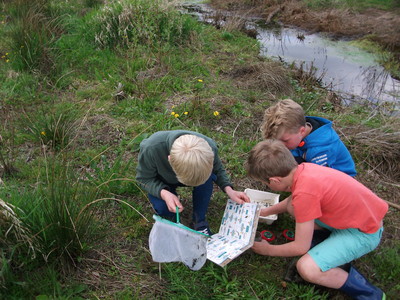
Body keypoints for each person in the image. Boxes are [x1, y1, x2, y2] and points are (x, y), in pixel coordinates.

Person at [246, 139, 388, 299]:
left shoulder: (304, 195)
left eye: (266, 183)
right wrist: (265, 211)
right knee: (294, 206)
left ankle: (370, 294)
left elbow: (300, 247)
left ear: (275, 180)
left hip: (364, 233)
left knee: (307, 268)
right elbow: (293, 201)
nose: (268, 185)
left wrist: (269, 250)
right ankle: (325, 242)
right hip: (356, 219)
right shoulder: (304, 170)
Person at [136, 130, 250, 235]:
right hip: (162, 180)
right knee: (164, 209)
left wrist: (229, 190)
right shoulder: (151, 149)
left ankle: (199, 220)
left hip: (192, 173)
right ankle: (171, 215)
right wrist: (164, 193)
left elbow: (218, 169)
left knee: (206, 181)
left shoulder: (209, 149)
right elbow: (144, 179)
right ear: (169, 160)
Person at [261, 99, 356, 177]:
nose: (281, 145)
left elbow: (318, 181)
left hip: (338, 180)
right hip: (308, 162)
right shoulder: (295, 130)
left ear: (302, 131)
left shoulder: (320, 150)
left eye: (285, 140)